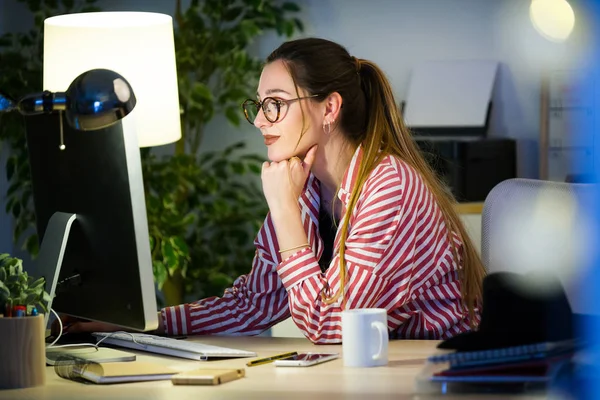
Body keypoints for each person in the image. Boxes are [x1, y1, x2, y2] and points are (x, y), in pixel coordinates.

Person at [56, 38, 486, 344]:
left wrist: (282, 210)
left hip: (439, 374)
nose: (261, 121)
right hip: (373, 373)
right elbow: (252, 306)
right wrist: (135, 324)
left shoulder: (389, 185)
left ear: (329, 108)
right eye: (258, 105)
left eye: (275, 103)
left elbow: (330, 325)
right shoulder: (304, 187)